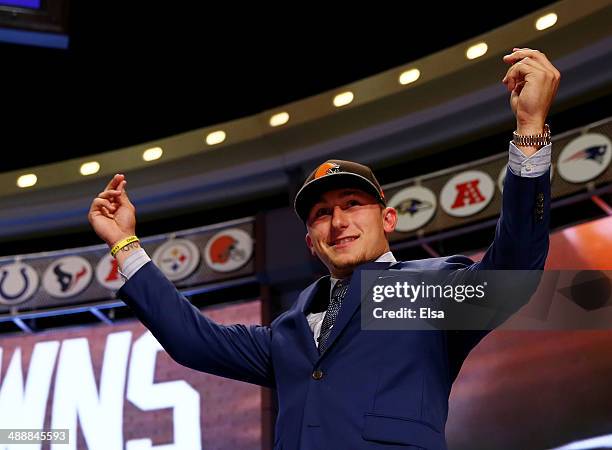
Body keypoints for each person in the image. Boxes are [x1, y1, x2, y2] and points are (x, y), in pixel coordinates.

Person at [88, 48, 560, 449]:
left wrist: (530, 128)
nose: (337, 222)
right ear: (311, 243)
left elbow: (512, 272)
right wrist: (125, 245)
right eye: (320, 215)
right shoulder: (287, 331)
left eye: (352, 204)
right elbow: (194, 341)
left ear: (388, 219)